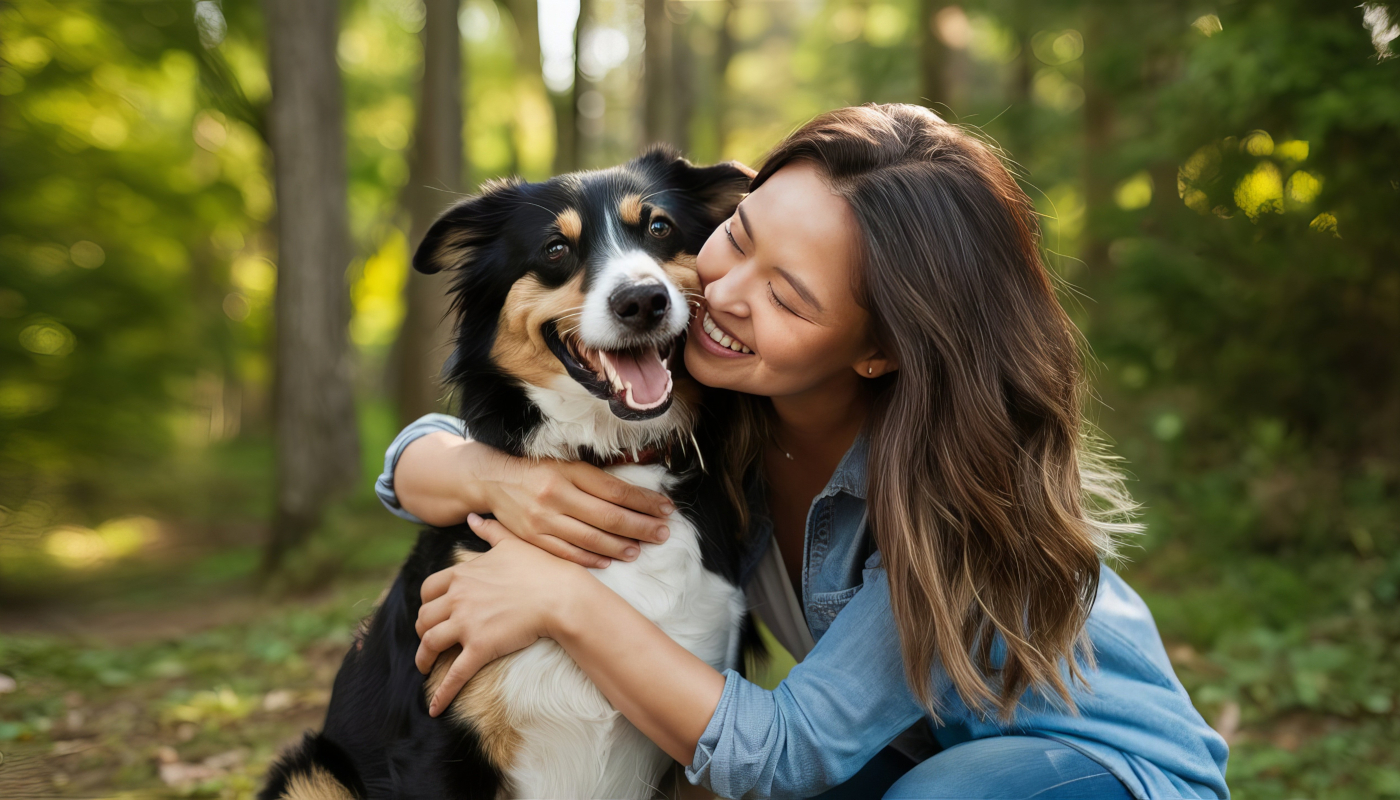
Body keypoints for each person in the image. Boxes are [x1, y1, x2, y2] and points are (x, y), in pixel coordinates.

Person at [374, 104, 1230, 799]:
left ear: (879, 350)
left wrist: (562, 598)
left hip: (1098, 771)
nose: (725, 296)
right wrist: (475, 471)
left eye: (785, 295)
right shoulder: (720, 414)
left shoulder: (951, 498)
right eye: (739, 238)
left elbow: (786, 751)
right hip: (904, 749)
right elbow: (432, 449)